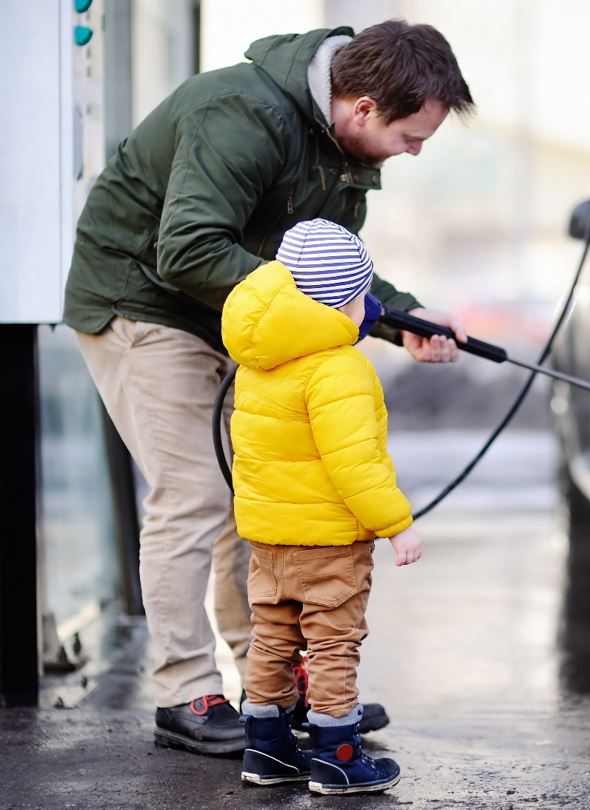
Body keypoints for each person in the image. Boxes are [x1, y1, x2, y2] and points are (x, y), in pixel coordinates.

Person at [64, 20, 473, 755]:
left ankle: (270, 686)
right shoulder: (242, 114)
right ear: (364, 109)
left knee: (258, 492)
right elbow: (187, 249)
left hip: (238, 317)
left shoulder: (340, 148)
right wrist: (345, 315)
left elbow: (322, 267)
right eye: (413, 137)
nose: (413, 154)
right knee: (195, 493)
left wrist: (398, 316)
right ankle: (185, 690)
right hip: (143, 301)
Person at [223, 218, 419, 794]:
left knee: (273, 638)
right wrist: (396, 524)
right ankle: (336, 754)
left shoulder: (261, 359)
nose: (368, 307)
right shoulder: (339, 368)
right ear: (340, 305)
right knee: (334, 644)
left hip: (269, 539)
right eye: (362, 296)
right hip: (329, 543)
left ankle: (266, 750)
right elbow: (354, 462)